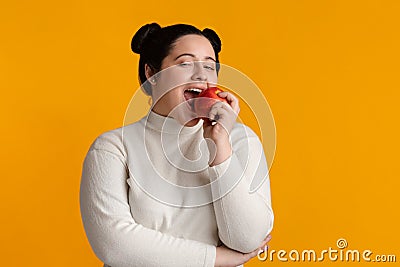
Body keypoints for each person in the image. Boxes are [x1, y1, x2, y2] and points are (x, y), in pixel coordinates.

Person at [80, 23, 274, 267]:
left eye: (209, 65)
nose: (201, 75)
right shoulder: (113, 148)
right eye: (184, 63)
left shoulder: (240, 140)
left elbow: (247, 239)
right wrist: (217, 259)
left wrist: (220, 147)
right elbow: (115, 246)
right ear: (151, 73)